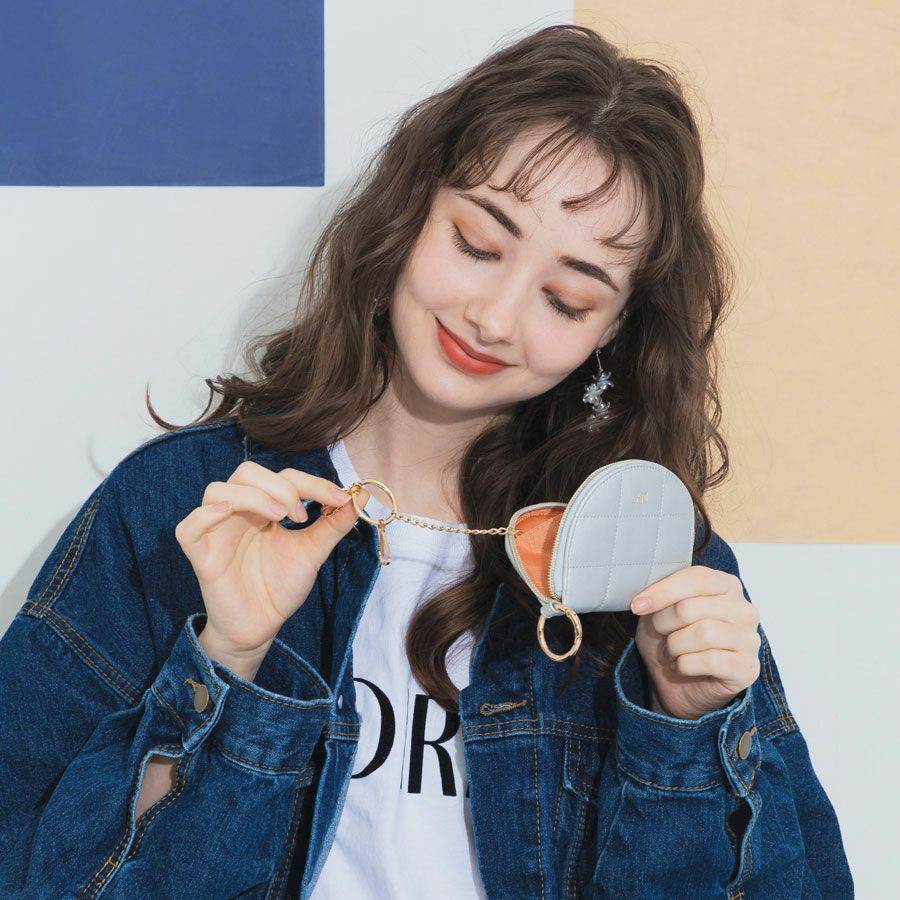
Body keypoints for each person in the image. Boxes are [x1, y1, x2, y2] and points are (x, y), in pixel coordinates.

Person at [0, 23, 852, 900]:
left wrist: (684, 730)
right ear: (409, 213)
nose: (495, 317)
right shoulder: (184, 505)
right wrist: (228, 663)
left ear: (612, 331)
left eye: (566, 298)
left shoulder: (649, 565)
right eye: (478, 245)